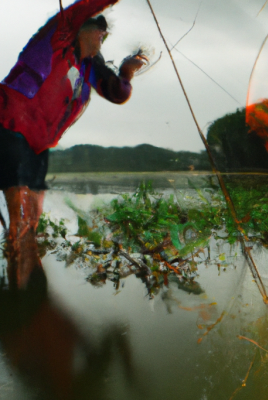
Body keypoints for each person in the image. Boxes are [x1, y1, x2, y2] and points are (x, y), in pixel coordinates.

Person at [0, 0, 146, 289]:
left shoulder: (87, 67)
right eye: (98, 31)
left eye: (105, 34)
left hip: (38, 147)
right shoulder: (59, 38)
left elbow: (116, 92)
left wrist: (127, 73)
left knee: (32, 221)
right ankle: (18, 292)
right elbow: (87, 5)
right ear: (81, 28)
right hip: (11, 128)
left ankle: (25, 287)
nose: (102, 37)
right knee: (20, 217)